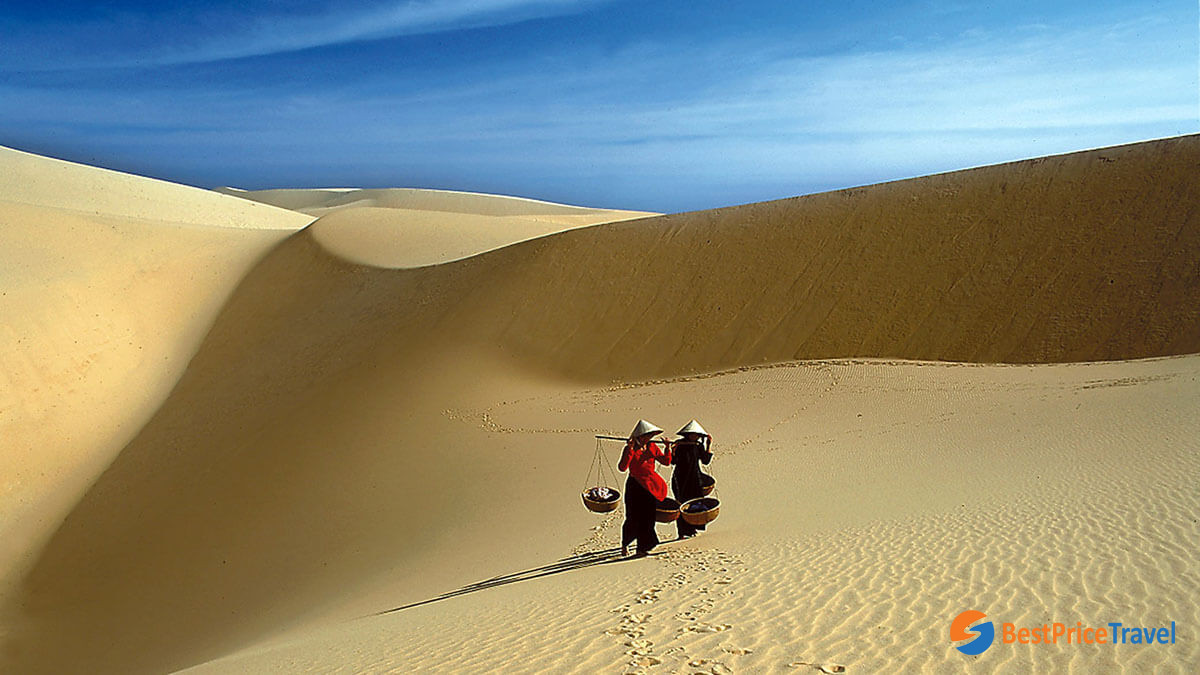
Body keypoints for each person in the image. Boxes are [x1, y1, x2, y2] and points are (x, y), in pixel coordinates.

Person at [618, 419, 672, 557]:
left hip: (649, 486)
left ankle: (642, 548)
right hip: (635, 486)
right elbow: (622, 467)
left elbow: (666, 462)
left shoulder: (652, 447)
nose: (648, 438)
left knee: (648, 517)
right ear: (639, 436)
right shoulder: (630, 448)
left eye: (650, 436)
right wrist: (630, 450)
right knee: (633, 517)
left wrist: (667, 448)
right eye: (646, 436)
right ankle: (625, 543)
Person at [670, 420, 713, 539]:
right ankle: (681, 532)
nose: (695, 436)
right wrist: (672, 450)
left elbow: (705, 460)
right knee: (681, 504)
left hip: (695, 478)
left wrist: (708, 445)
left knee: (695, 503)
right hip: (680, 479)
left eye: (697, 435)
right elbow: (672, 461)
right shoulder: (679, 445)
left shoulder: (698, 446)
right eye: (693, 434)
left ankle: (692, 529)